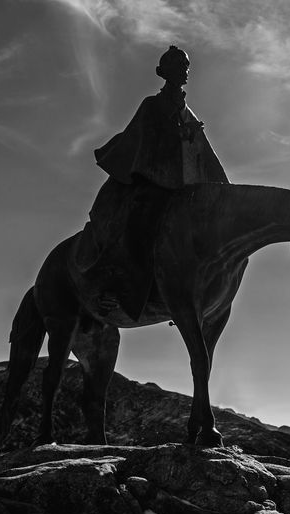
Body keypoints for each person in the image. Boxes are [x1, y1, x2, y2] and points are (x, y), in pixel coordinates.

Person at [75, 46, 229, 320]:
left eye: (187, 65)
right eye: (179, 65)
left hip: (182, 189)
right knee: (138, 225)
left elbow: (204, 154)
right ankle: (111, 285)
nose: (185, 70)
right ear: (164, 71)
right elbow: (143, 140)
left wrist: (222, 187)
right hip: (151, 182)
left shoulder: (188, 113)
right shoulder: (152, 105)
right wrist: (180, 133)